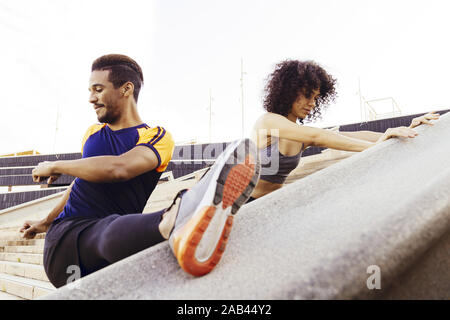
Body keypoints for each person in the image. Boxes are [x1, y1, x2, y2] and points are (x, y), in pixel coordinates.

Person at [19, 54, 260, 288]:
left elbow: (120, 168)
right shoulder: (92, 133)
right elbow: (78, 185)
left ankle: (190, 214)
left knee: (109, 229)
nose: (91, 98)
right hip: (65, 243)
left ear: (126, 89)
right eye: (90, 91)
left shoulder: (157, 137)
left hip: (113, 252)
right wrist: (46, 221)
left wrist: (56, 165)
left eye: (98, 89)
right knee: (105, 231)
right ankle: (176, 219)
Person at [248, 59, 440, 202]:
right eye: (307, 95)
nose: (312, 103)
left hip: (270, 205)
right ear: (288, 92)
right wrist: (374, 147)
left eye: (315, 98)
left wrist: (403, 130)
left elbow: (344, 136)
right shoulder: (267, 122)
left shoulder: (301, 135)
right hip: (243, 204)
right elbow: (319, 135)